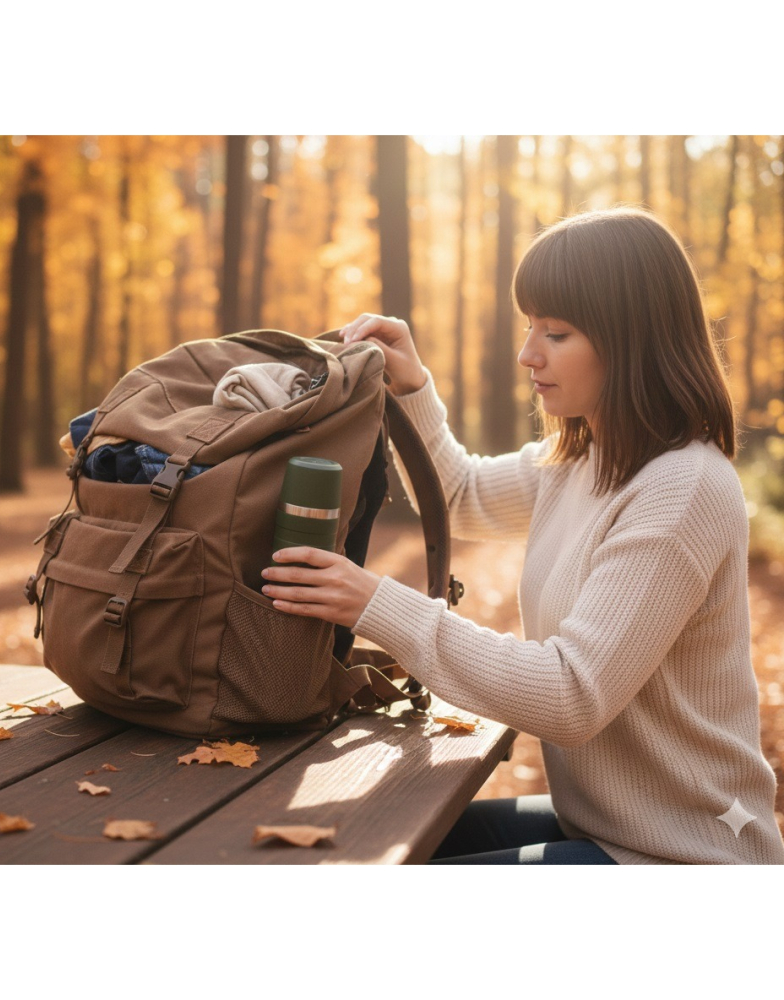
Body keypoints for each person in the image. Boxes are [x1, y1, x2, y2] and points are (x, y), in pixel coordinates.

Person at [260, 207, 784, 865]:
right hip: (603, 826)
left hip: (684, 858)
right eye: (530, 326)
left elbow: (571, 696)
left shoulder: (683, 488)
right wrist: (412, 384)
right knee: (358, 834)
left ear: (633, 341)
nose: (528, 353)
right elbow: (459, 496)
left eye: (556, 333)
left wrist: (375, 603)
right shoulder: (583, 461)